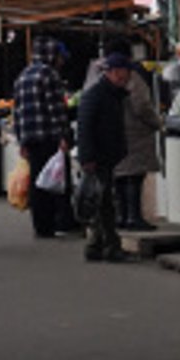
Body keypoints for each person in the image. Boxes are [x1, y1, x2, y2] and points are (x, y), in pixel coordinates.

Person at [86, 39, 164, 231]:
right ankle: (133, 217)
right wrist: (157, 122)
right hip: (135, 132)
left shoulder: (99, 73)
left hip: (116, 132)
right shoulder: (131, 76)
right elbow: (141, 105)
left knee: (120, 177)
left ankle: (122, 216)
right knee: (134, 177)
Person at [77, 52, 134, 262]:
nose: (126, 77)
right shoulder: (97, 95)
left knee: (102, 202)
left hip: (106, 156)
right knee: (104, 203)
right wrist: (87, 158)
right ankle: (110, 247)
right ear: (113, 72)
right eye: (124, 73)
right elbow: (85, 128)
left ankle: (96, 245)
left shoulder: (112, 94)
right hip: (98, 157)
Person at [13, 36, 71, 239]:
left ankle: (41, 226)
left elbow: (17, 112)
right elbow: (56, 109)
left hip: (30, 138)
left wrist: (21, 140)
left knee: (38, 182)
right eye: (59, 56)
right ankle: (61, 222)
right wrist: (63, 135)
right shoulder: (49, 74)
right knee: (56, 179)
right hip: (49, 135)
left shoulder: (22, 76)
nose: (61, 61)